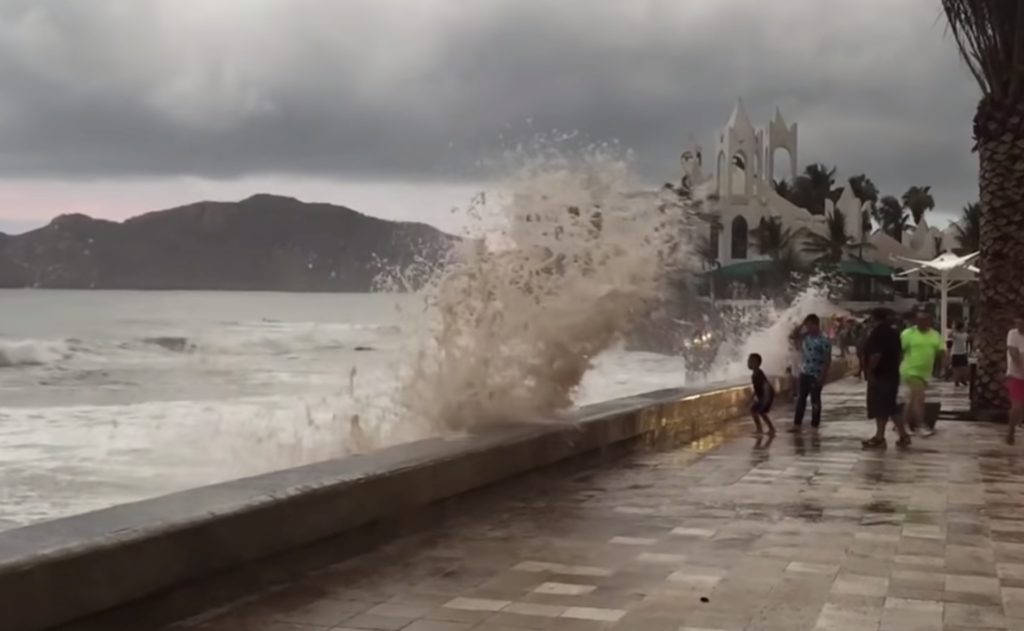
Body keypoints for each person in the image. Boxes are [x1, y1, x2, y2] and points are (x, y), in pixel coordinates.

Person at [861, 308, 910, 448]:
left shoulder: (877, 333)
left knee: (882, 407)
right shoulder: (894, 333)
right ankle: (898, 436)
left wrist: (870, 372)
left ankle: (883, 437)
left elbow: (876, 355)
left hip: (880, 375)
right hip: (892, 374)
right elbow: (900, 354)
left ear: (874, 318)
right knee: (889, 407)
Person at [899, 311, 946, 437]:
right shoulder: (908, 334)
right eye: (919, 320)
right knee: (918, 398)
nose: (922, 322)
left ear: (930, 321)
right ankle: (920, 425)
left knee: (912, 400)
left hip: (925, 373)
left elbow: (942, 350)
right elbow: (899, 351)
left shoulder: (935, 335)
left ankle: (902, 425)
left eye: (925, 320)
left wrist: (945, 365)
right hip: (910, 370)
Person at [788, 314, 832, 433]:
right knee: (801, 398)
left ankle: (815, 423)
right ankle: (797, 424)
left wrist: (822, 376)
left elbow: (827, 359)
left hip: (816, 373)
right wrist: (801, 324)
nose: (807, 328)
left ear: (815, 324)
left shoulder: (824, 339)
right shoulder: (806, 336)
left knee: (815, 400)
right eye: (806, 325)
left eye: (809, 325)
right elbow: (792, 336)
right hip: (804, 371)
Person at [1006, 316, 1024, 443]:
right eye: (1018, 323)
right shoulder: (1013, 334)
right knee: (1016, 405)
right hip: (1016, 374)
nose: (1019, 326)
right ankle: (1011, 431)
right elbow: (1013, 354)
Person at [747, 353, 776, 435]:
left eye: (750, 361)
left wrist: (765, 398)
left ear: (756, 363)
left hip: (767, 395)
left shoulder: (758, 374)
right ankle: (764, 428)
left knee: (759, 411)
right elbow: (757, 388)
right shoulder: (754, 374)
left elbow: (765, 385)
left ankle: (767, 428)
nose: (748, 363)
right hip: (764, 396)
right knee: (755, 410)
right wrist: (751, 398)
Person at [948, 321, 971, 386]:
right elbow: (949, 335)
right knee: (956, 368)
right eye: (964, 327)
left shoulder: (965, 335)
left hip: (963, 352)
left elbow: (970, 337)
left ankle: (961, 379)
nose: (965, 328)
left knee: (964, 368)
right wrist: (953, 329)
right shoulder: (956, 335)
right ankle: (956, 380)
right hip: (955, 353)